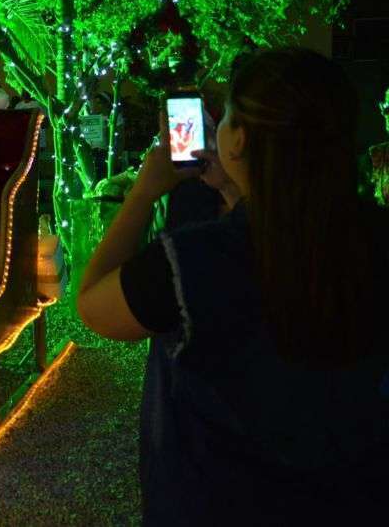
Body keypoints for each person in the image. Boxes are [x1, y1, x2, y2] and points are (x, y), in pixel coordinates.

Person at [77, 48, 389, 524]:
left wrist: (142, 193)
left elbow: (93, 305)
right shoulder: (374, 236)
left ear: (238, 140)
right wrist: (235, 188)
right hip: (353, 497)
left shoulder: (193, 260)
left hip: (214, 501)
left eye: (225, 117)